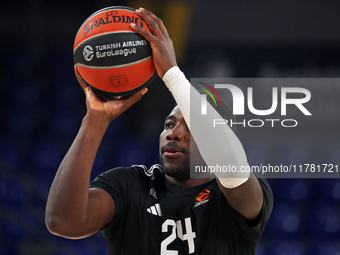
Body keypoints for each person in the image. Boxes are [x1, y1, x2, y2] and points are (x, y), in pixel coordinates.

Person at [45, 7, 273, 255]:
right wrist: (96, 120)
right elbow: (63, 222)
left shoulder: (239, 196)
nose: (173, 133)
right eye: (168, 124)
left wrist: (172, 75)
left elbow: (230, 163)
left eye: (192, 126)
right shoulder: (130, 185)